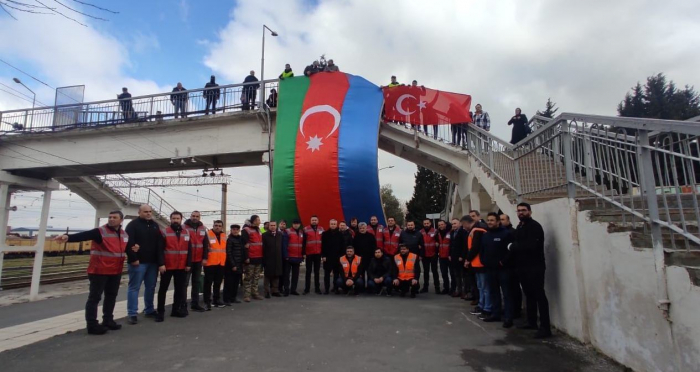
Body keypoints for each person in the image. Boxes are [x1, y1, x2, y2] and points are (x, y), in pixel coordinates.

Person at [54, 210, 130, 335]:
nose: (111, 219)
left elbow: (126, 247)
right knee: (95, 298)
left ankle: (108, 320)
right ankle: (92, 325)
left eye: (114, 217)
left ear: (121, 220)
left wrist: (135, 248)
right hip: (99, 270)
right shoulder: (100, 231)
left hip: (115, 270)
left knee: (111, 296)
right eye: (110, 217)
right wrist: (67, 237)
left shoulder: (124, 234)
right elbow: (83, 235)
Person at [511, 202, 551, 338]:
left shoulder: (534, 226)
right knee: (528, 294)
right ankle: (531, 321)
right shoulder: (520, 226)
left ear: (530, 211)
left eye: (523, 210)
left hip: (535, 266)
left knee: (539, 295)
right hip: (522, 266)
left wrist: (513, 247)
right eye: (518, 211)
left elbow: (530, 246)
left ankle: (545, 327)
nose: (520, 213)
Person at [125, 204, 162, 325]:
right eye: (145, 211)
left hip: (152, 263)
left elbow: (159, 244)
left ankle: (149, 310)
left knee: (150, 287)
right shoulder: (132, 225)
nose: (148, 213)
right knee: (134, 287)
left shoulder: (155, 225)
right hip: (138, 263)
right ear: (139, 212)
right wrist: (133, 258)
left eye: (150, 211)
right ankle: (132, 313)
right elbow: (128, 243)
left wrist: (159, 261)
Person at [156, 211, 191, 322]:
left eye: (177, 218)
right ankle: (160, 312)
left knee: (179, 289)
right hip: (167, 266)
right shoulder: (164, 232)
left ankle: (175, 310)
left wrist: (188, 264)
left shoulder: (186, 233)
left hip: (181, 267)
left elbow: (189, 250)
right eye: (173, 218)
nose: (175, 220)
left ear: (181, 219)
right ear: (170, 219)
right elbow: (159, 250)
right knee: (163, 289)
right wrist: (161, 264)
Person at [481, 213, 514, 328]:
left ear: (498, 221)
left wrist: (503, 262)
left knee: (507, 294)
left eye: (492, 220)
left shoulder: (506, 234)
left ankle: (508, 317)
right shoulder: (485, 235)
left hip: (503, 269)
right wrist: (483, 261)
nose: (489, 222)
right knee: (493, 292)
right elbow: (482, 250)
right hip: (490, 269)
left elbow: (511, 251)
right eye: (488, 220)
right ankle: (496, 314)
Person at [463, 216, 489, 320]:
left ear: (467, 223)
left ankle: (486, 308)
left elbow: (475, 248)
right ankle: (482, 306)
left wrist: (468, 259)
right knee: (481, 287)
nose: (464, 227)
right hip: (476, 264)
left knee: (484, 288)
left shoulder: (477, 230)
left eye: (464, 225)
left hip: (480, 263)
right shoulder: (477, 229)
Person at [183, 211, 208, 312]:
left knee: (196, 283)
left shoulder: (202, 228)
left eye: (197, 216)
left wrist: (205, 258)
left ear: (200, 217)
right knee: (184, 283)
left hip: (198, 260)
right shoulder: (184, 227)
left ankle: (195, 303)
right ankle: (182, 303)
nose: (195, 218)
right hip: (187, 260)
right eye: (193, 216)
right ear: (190, 217)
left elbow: (205, 244)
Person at [500, 213, 521, 318]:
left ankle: (516, 311)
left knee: (514, 289)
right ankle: (510, 309)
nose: (501, 221)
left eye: (503, 219)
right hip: (504, 266)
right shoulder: (501, 232)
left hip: (512, 265)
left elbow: (512, 250)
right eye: (500, 219)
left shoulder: (512, 232)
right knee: (507, 290)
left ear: (508, 220)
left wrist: (504, 260)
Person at [203, 220, 227, 309]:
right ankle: (207, 302)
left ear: (222, 227)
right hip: (210, 263)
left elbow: (224, 249)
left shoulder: (224, 235)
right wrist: (204, 259)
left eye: (219, 226)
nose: (217, 227)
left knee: (218, 283)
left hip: (221, 263)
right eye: (216, 225)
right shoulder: (208, 234)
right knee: (208, 283)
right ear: (213, 225)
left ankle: (216, 300)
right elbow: (205, 248)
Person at [242, 214, 264, 302]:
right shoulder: (246, 230)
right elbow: (245, 245)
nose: (260, 221)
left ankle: (255, 293)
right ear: (254, 221)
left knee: (256, 277)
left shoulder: (259, 230)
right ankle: (247, 295)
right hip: (250, 258)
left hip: (258, 257)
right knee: (248, 277)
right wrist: (246, 257)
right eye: (258, 220)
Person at [321, 219, 344, 294]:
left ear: (336, 225)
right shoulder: (325, 234)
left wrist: (341, 256)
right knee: (326, 275)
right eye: (332, 224)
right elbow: (322, 246)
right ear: (329, 224)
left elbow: (342, 246)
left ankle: (335, 288)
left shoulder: (340, 234)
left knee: (336, 274)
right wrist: (323, 256)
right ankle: (326, 289)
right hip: (327, 257)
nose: (333, 225)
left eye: (334, 224)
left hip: (337, 257)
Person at [303, 215, 324, 294]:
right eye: (313, 220)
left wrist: (322, 253)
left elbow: (323, 242)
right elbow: (303, 242)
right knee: (308, 272)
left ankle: (317, 288)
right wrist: (304, 253)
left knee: (317, 272)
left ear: (318, 221)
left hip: (318, 254)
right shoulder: (305, 229)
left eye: (315, 220)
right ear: (310, 221)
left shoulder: (321, 229)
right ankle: (307, 289)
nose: (314, 221)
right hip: (309, 254)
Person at [262, 221, 283, 298]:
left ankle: (275, 291)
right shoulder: (264, 235)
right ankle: (266, 292)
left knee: (276, 275)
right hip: (268, 258)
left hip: (278, 258)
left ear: (276, 226)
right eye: (271, 225)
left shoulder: (280, 234)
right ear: (268, 226)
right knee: (267, 276)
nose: (273, 227)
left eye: (274, 225)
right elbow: (262, 248)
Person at [224, 224, 244, 305]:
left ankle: (233, 297)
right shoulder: (229, 240)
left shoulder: (240, 239)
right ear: (231, 230)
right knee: (229, 283)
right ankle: (227, 299)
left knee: (236, 282)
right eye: (233, 229)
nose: (235, 231)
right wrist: (233, 265)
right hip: (231, 265)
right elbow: (229, 253)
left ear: (239, 230)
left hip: (239, 264)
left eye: (237, 229)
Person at [284, 219, 305, 295]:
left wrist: (302, 256)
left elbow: (302, 245)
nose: (296, 225)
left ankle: (293, 290)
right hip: (289, 257)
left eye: (297, 224)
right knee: (286, 275)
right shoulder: (288, 231)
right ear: (292, 224)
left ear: (299, 225)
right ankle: (286, 289)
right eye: (295, 224)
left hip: (298, 257)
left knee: (295, 275)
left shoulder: (301, 232)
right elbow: (284, 244)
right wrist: (286, 255)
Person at [420, 219, 440, 293]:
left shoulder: (435, 231)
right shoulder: (421, 232)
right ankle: (425, 287)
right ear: (423, 224)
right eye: (424, 223)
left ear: (430, 223)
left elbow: (439, 241)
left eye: (427, 223)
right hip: (425, 255)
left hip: (433, 254)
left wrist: (437, 251)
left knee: (435, 271)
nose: (426, 224)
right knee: (426, 272)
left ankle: (437, 288)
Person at [448, 218, 467, 298]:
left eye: (455, 223)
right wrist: (449, 254)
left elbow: (465, 245)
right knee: (456, 275)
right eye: (452, 224)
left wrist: (462, 256)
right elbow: (451, 245)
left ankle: (464, 291)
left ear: (459, 224)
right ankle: (458, 290)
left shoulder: (463, 232)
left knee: (463, 275)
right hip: (453, 257)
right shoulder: (452, 232)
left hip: (460, 257)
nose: (453, 225)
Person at [436, 219, 452, 294]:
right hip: (442, 256)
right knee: (444, 273)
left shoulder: (451, 232)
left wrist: (451, 254)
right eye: (439, 225)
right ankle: (446, 288)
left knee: (452, 273)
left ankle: (453, 288)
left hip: (449, 256)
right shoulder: (438, 233)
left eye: (442, 224)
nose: (441, 226)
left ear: (445, 225)